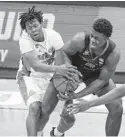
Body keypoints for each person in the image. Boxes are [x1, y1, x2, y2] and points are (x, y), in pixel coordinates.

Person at [41, 18, 123, 136]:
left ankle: (56, 133)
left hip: (94, 75)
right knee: (49, 110)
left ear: (106, 38)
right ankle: (55, 133)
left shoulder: (113, 54)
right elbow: (64, 52)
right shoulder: (80, 40)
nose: (93, 40)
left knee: (117, 106)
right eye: (92, 36)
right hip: (73, 69)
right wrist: (68, 70)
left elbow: (101, 80)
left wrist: (77, 95)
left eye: (97, 38)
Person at [16, 6, 77, 136]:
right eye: (29, 28)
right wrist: (58, 69)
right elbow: (36, 66)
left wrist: (68, 78)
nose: (33, 30)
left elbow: (63, 60)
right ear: (25, 30)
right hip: (30, 77)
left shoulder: (54, 36)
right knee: (34, 108)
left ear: (41, 23)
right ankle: (37, 133)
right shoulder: (24, 40)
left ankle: (57, 133)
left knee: (69, 117)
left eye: (35, 25)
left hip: (51, 77)